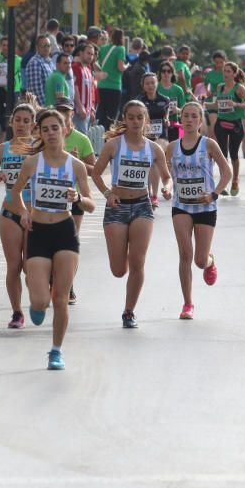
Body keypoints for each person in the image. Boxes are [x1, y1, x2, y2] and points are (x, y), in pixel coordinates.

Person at [11, 109, 96, 370]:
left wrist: (78, 199)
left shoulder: (76, 165)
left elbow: (91, 204)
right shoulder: (32, 163)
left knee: (60, 297)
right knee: (40, 301)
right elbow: (14, 195)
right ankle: (37, 303)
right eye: (45, 129)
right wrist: (24, 213)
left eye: (54, 128)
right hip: (38, 232)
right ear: (40, 132)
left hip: (64, 232)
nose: (50, 133)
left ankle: (56, 351)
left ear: (64, 130)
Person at [91, 100, 173, 329]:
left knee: (138, 261)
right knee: (119, 270)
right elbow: (96, 174)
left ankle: (129, 312)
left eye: (140, 117)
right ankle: (124, 253)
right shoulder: (114, 145)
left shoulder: (153, 148)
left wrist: (167, 188)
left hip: (141, 206)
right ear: (124, 120)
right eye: (131, 117)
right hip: (117, 207)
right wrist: (108, 193)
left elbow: (167, 176)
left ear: (146, 120)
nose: (136, 121)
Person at [165, 102, 230, 320]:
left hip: (205, 206)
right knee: (185, 254)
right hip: (181, 205)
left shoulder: (209, 144)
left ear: (200, 121)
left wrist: (214, 194)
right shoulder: (172, 147)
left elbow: (226, 172)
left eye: (194, 116)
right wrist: (166, 188)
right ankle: (188, 303)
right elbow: (165, 174)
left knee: (199, 261)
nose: (190, 120)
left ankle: (210, 260)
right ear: (181, 120)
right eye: (186, 116)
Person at [0, 103, 37, 328]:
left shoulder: (39, 149)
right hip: (10, 212)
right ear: (11, 122)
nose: (21, 125)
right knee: (13, 266)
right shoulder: (0, 150)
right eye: (18, 120)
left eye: (26, 121)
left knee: (29, 267)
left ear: (33, 125)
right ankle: (17, 312)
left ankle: (39, 296)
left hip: (34, 213)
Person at [56, 99, 97, 305]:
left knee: (71, 242)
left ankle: (68, 284)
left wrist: (77, 162)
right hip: (51, 197)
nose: (64, 115)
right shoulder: (49, 137)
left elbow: (94, 169)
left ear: (72, 114)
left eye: (67, 111)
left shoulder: (81, 140)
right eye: (60, 111)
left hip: (75, 196)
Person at [204, 62, 245, 196]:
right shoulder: (220, 87)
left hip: (235, 124)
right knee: (222, 154)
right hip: (221, 123)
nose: (226, 74)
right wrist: (202, 103)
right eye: (225, 71)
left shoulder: (239, 88)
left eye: (229, 71)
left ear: (234, 73)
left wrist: (235, 104)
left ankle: (235, 179)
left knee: (234, 153)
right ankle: (223, 183)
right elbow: (215, 105)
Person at [135, 73, 172, 207]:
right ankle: (148, 193)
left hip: (161, 136)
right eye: (147, 83)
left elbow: (166, 114)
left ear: (157, 83)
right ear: (143, 86)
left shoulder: (165, 99)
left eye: (153, 82)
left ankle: (154, 196)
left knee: (154, 161)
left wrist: (167, 120)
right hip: (144, 137)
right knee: (147, 164)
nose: (150, 85)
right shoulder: (139, 101)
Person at [0, 36, 24, 143]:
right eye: (4, 45)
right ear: (1, 46)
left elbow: (23, 77)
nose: (6, 47)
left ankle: (8, 140)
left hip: (14, 91)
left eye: (8, 45)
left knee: (13, 116)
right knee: (2, 118)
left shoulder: (18, 60)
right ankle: (4, 141)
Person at [96, 29, 128, 128]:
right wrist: (127, 66)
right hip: (114, 86)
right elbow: (120, 67)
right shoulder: (121, 49)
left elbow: (97, 64)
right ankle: (107, 136)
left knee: (102, 112)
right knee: (111, 115)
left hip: (102, 85)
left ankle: (99, 135)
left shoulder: (103, 48)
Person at [72, 42, 98, 135]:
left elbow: (92, 91)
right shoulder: (75, 67)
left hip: (87, 112)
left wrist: (92, 109)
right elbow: (75, 88)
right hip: (78, 112)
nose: (90, 56)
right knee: (80, 139)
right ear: (81, 53)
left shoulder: (88, 69)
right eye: (88, 53)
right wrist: (80, 107)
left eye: (92, 54)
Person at [24, 35, 54, 106]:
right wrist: (47, 108)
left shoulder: (49, 61)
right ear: (37, 47)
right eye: (43, 46)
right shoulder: (35, 63)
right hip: (40, 110)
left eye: (48, 45)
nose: (46, 48)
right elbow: (36, 91)